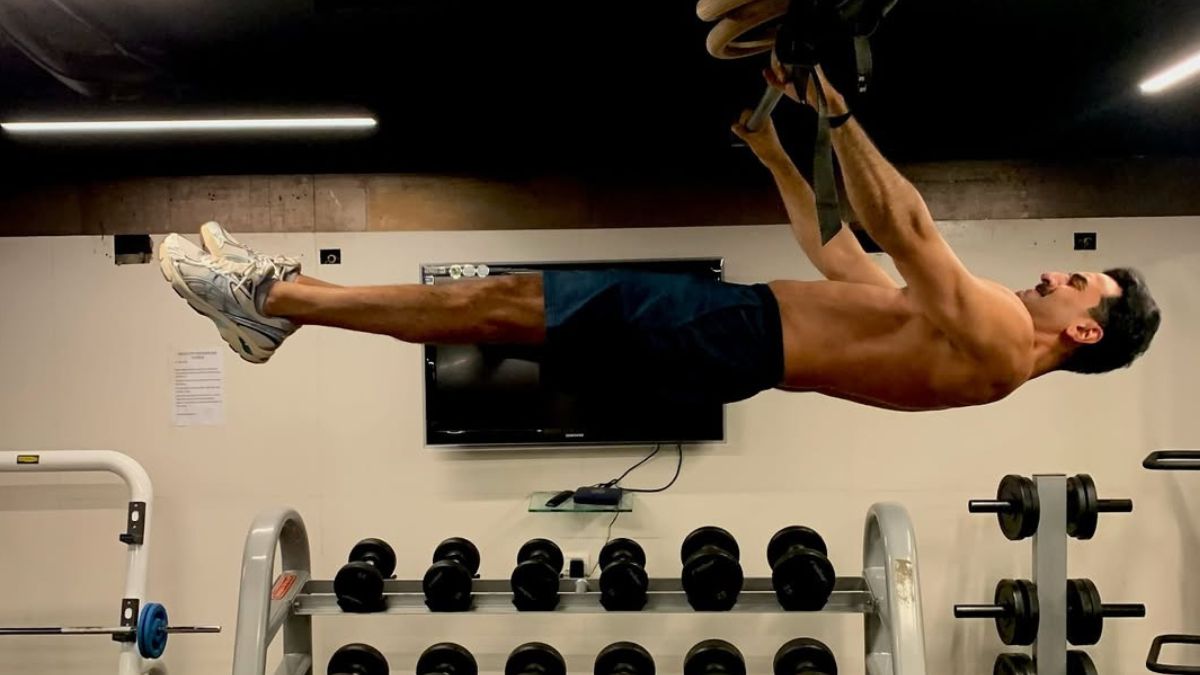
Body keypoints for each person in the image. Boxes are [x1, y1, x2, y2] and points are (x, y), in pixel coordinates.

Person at [157, 70, 1160, 412]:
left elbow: (906, 226)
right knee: (504, 306)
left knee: (504, 302)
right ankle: (278, 305)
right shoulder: (976, 337)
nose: (1052, 274)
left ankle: (275, 299)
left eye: (1077, 281)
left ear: (1084, 331)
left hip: (735, 336)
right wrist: (776, 150)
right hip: (735, 337)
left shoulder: (1000, 341)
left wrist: (837, 109)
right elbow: (842, 255)